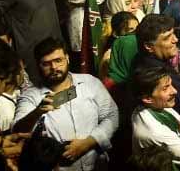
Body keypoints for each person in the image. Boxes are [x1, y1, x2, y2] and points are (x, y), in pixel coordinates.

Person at [12, 37, 119, 171]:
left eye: (58, 60)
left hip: (97, 165)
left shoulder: (90, 83)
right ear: (38, 65)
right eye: (46, 64)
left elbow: (111, 116)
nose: (54, 67)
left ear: (67, 58)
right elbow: (18, 132)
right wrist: (37, 112)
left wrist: (88, 143)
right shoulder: (30, 96)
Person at [129, 65, 180, 166]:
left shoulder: (157, 105)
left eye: (171, 85)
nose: (174, 91)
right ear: (147, 98)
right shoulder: (155, 132)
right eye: (165, 88)